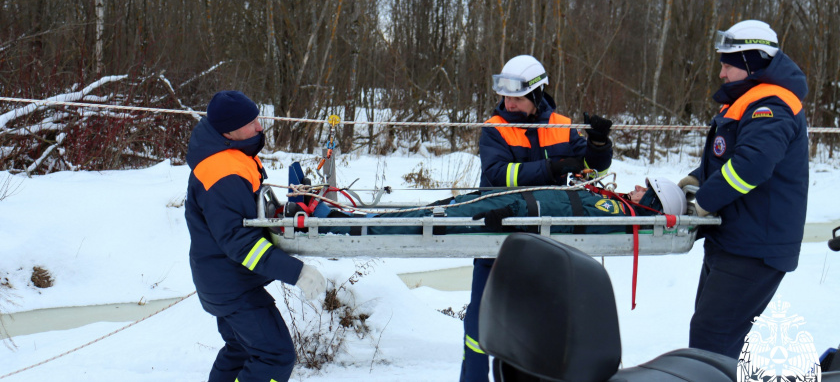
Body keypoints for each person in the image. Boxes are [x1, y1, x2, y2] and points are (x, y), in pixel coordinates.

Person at [463, 55, 615, 382]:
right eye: (505, 96)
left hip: (545, 244)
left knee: (533, 331)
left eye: (517, 97)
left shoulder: (561, 125)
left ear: (536, 95)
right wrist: (552, 168)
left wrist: (599, 145)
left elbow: (592, 170)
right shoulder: (495, 129)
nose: (509, 103)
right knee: (479, 326)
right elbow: (498, 173)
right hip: (497, 238)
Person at [678, 20, 809, 360]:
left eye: (727, 63)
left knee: (712, 341)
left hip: (754, 247)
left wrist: (702, 202)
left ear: (750, 62)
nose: (721, 73)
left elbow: (752, 166)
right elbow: (730, 158)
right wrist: (695, 180)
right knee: (710, 338)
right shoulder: (751, 100)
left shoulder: (772, 104)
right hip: (735, 240)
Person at [185, 90, 327, 382]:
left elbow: (245, 219)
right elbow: (239, 242)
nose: (260, 127)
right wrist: (297, 272)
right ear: (230, 130)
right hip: (232, 285)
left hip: (221, 280)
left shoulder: (228, 157)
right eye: (252, 122)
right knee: (275, 357)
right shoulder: (222, 173)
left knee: (239, 350)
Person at [306, 177, 685, 236]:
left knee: (431, 219)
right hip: (512, 200)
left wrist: (511, 215)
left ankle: (340, 223)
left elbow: (569, 219)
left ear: (652, 203)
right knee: (441, 206)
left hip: (513, 209)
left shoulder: (619, 213)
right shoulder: (619, 205)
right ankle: (350, 216)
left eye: (644, 188)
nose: (636, 187)